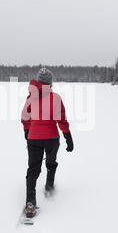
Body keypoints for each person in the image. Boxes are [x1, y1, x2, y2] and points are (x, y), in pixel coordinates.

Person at [21, 68, 74, 218]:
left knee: (33, 169)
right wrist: (67, 136)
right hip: (51, 138)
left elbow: (24, 116)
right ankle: (49, 187)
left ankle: (30, 203)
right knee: (51, 163)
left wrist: (27, 130)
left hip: (34, 138)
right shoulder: (55, 98)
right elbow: (61, 119)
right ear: (50, 83)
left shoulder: (31, 97)